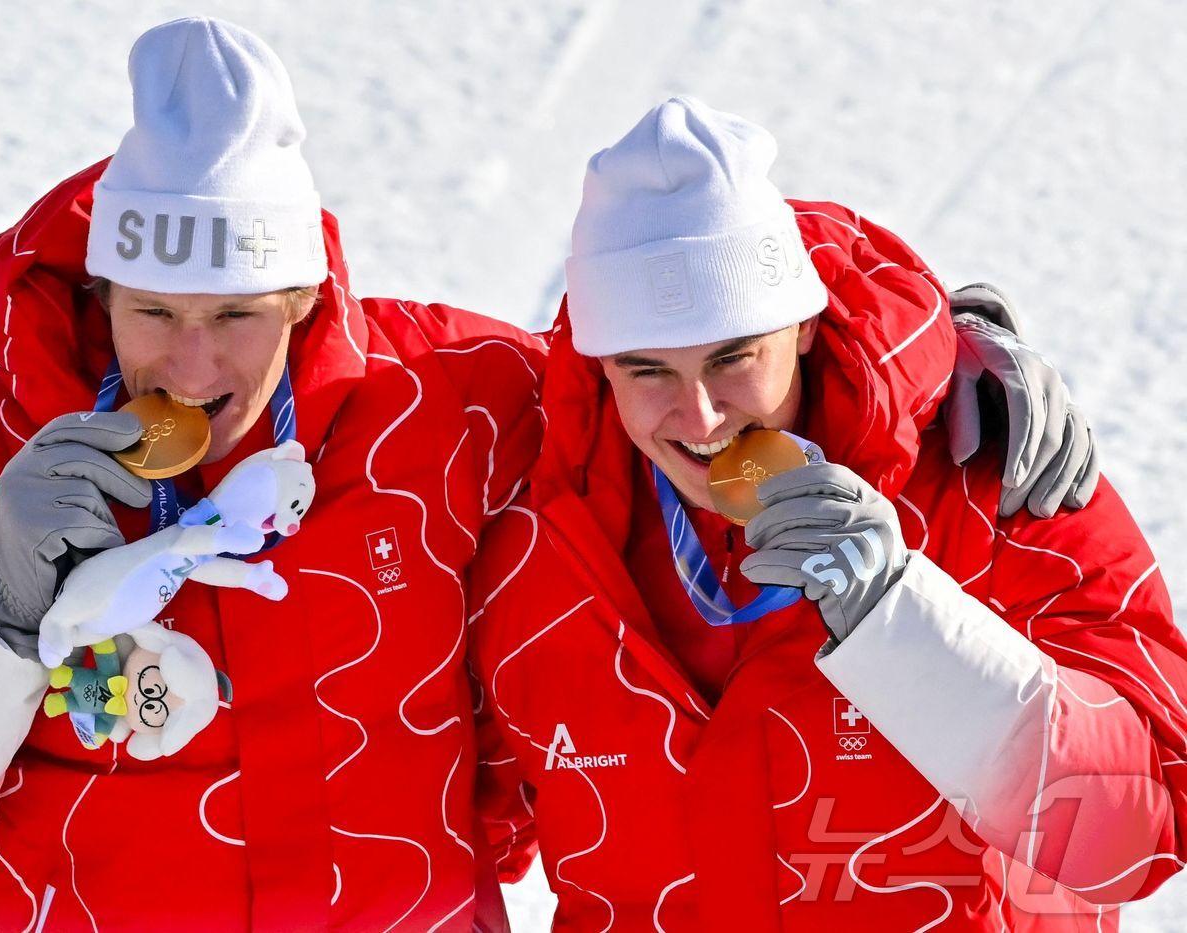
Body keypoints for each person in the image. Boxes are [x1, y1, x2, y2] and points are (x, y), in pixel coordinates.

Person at [0, 19, 1091, 933]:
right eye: (153, 313)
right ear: (100, 291)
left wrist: (931, 352)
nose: (189, 363)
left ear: (305, 295)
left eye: (235, 314)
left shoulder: (450, 405)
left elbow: (684, 323)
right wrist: (2, 615)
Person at [468, 98, 1184, 931]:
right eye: (647, 370)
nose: (701, 416)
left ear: (805, 324)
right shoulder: (534, 525)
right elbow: (444, 820)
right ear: (598, 362)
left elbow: (1139, 831)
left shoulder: (988, 473)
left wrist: (904, 623)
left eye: (734, 357)